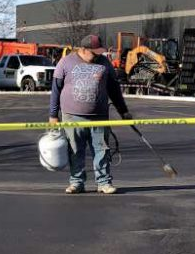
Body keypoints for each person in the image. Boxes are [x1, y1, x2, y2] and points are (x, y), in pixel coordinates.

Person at [48, 34, 132, 195]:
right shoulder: (66, 62)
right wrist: (53, 115)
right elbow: (55, 90)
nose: (98, 55)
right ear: (83, 49)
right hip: (72, 116)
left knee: (101, 150)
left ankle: (104, 183)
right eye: (94, 52)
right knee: (75, 151)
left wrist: (124, 111)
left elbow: (114, 91)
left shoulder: (104, 63)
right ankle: (76, 182)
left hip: (99, 116)